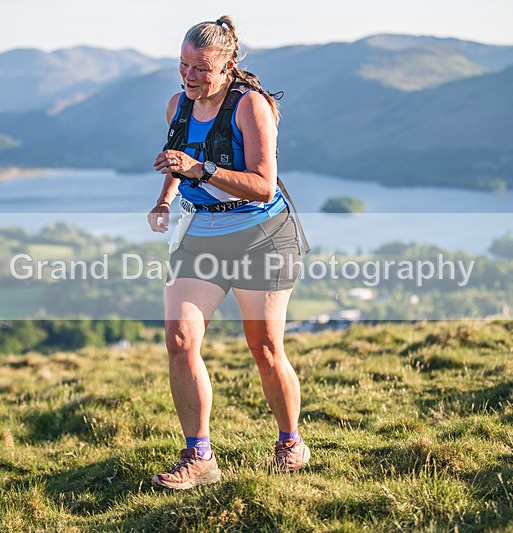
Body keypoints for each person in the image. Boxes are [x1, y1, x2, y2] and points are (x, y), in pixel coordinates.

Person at [146, 15, 310, 490]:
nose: (189, 76)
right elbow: (180, 158)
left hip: (262, 235)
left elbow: (261, 185)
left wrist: (200, 168)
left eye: (201, 68)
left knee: (264, 348)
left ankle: (289, 441)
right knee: (179, 339)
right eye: (183, 65)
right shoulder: (179, 103)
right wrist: (165, 197)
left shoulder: (250, 106)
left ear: (229, 65)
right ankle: (199, 457)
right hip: (203, 234)